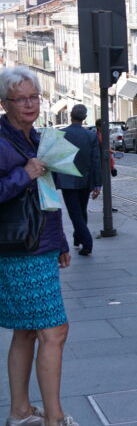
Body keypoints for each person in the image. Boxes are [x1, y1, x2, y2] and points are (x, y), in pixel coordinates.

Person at [0, 66, 77, 426]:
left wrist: (59, 239)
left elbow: (47, 195)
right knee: (54, 331)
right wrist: (23, 174)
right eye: (21, 99)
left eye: (34, 97)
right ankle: (55, 419)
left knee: (27, 329)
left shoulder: (36, 137)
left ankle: (20, 412)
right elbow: (21, 184)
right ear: (5, 103)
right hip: (19, 250)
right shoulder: (2, 141)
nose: (30, 104)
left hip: (38, 244)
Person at [54, 105, 101, 257]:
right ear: (84, 118)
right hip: (85, 179)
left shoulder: (61, 134)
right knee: (81, 210)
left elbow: (55, 158)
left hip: (67, 180)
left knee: (75, 213)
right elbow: (96, 161)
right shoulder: (90, 136)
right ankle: (78, 237)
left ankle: (86, 242)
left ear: (70, 116)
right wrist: (97, 184)